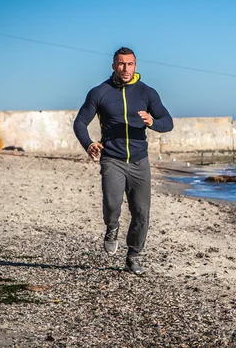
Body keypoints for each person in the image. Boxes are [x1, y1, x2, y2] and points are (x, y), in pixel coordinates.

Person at [73, 47, 174, 274]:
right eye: (121, 64)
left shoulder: (147, 93)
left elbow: (167, 122)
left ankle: (133, 256)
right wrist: (88, 144)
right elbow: (79, 123)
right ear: (113, 66)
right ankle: (112, 227)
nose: (125, 68)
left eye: (129, 64)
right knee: (112, 205)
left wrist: (151, 122)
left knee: (141, 212)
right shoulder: (100, 92)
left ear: (135, 66)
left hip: (139, 161)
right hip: (112, 159)